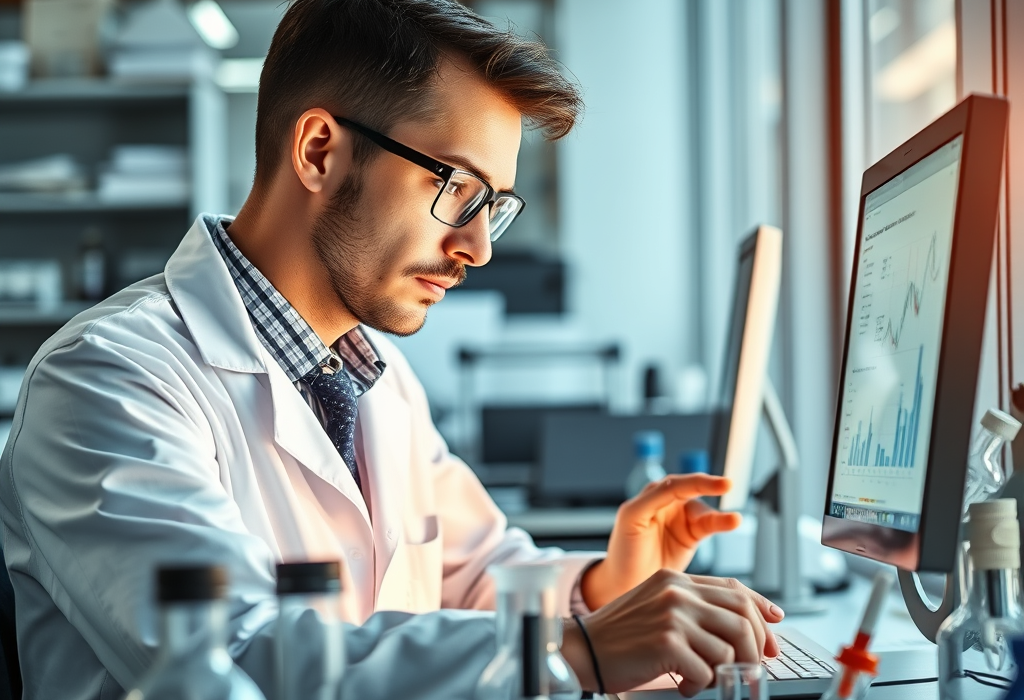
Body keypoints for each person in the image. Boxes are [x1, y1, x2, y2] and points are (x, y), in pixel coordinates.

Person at [0, 1, 785, 698]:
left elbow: (475, 575)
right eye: (458, 189)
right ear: (318, 151)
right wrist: (576, 652)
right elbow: (236, 660)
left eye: (496, 207)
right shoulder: (107, 380)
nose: (478, 246)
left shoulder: (372, 376)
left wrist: (609, 587)